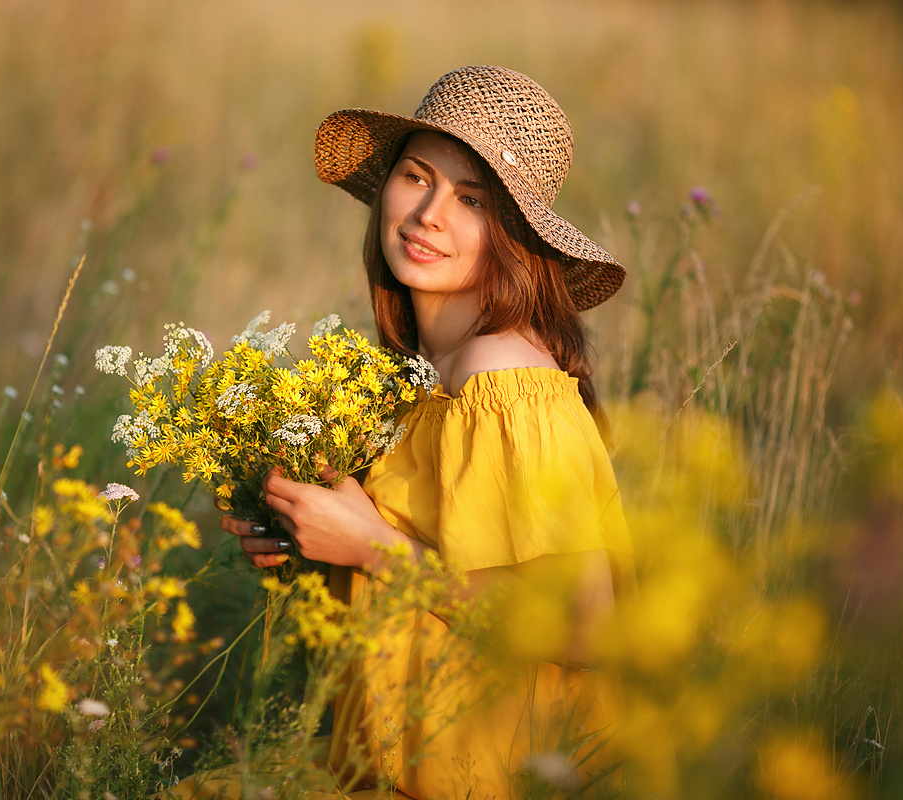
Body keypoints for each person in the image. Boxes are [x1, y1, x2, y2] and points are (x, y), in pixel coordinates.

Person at [175, 65, 635, 800]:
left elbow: (586, 630)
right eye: (417, 177)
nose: (429, 215)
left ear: (512, 237)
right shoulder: (419, 374)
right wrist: (307, 539)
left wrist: (373, 548)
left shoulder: (502, 378)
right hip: (386, 764)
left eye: (472, 199)